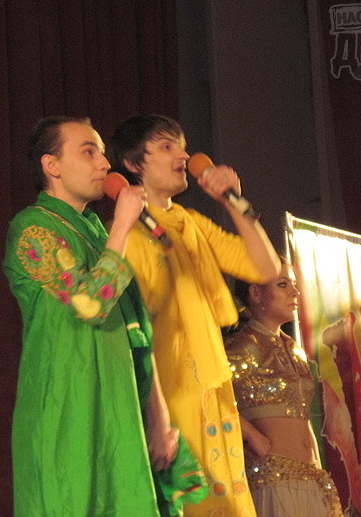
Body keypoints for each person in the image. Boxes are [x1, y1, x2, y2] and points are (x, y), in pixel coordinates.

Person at [3, 117, 207, 517]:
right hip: (69, 408)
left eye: (101, 152)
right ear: (52, 165)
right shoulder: (32, 228)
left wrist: (158, 415)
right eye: (88, 152)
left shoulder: (96, 232)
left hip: (119, 403)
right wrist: (124, 226)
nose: (104, 163)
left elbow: (137, 331)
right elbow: (91, 304)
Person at [109, 114, 281, 516]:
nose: (183, 156)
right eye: (166, 147)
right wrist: (155, 416)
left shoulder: (191, 222)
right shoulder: (125, 235)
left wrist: (233, 202)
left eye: (182, 147)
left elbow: (266, 268)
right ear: (133, 164)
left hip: (212, 388)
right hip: (169, 393)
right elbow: (132, 333)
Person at [225, 260, 343, 516]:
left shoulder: (294, 349)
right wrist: (251, 435)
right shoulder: (242, 346)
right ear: (256, 293)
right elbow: (213, 397)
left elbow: (302, 416)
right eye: (283, 284)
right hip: (272, 478)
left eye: (294, 284)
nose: (295, 292)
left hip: (312, 478)